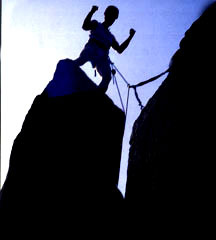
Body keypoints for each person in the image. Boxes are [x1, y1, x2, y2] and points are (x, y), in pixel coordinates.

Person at [74, 5, 136, 92]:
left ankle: (98, 96)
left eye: (114, 18)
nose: (112, 19)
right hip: (92, 48)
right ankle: (70, 68)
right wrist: (92, 11)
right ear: (105, 14)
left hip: (102, 56)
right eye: (111, 16)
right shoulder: (96, 24)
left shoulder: (110, 37)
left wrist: (130, 37)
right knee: (82, 59)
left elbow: (119, 49)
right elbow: (85, 26)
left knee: (107, 76)